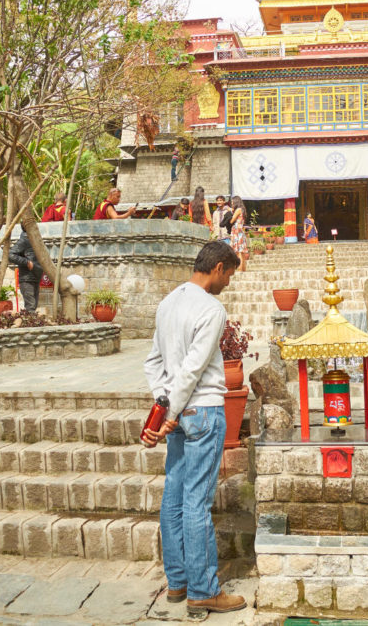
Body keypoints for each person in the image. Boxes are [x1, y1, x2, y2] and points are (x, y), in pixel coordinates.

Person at [141, 241, 246, 618]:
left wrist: (165, 404)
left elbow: (154, 363)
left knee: (174, 497)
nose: (228, 283)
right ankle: (203, 590)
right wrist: (174, 410)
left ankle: (178, 581)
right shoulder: (211, 308)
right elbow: (193, 368)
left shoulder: (168, 303)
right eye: (229, 275)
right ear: (217, 268)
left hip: (180, 412)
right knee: (196, 502)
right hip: (201, 412)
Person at [8, 231, 44, 313]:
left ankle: (33, 322)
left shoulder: (35, 239)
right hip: (27, 278)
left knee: (33, 306)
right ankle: (31, 324)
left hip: (36, 276)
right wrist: (27, 262)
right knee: (31, 307)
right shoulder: (24, 240)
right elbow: (11, 255)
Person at [228, 196, 248, 272]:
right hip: (240, 231)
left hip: (236, 231)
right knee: (241, 252)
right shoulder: (242, 210)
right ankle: (243, 269)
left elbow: (231, 221)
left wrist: (230, 211)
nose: (232, 204)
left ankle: (239, 269)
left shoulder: (238, 210)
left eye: (233, 202)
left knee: (238, 252)